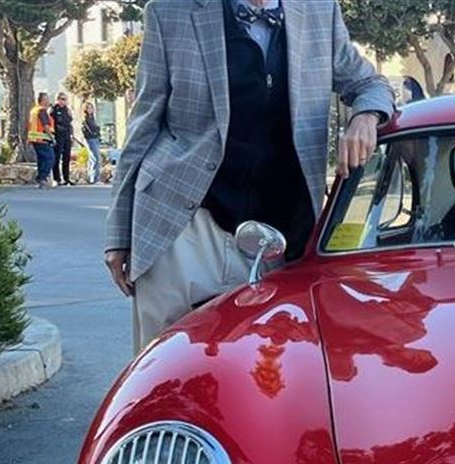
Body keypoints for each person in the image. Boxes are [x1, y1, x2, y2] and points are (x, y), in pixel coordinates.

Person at [104, 0, 394, 352]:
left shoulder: (318, 11)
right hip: (184, 226)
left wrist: (366, 116)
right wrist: (118, 233)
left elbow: (369, 83)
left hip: (282, 236)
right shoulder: (170, 11)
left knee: (270, 374)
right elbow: (145, 122)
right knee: (168, 372)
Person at [27, 93, 55, 189]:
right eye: (47, 99)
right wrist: (52, 138)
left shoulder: (34, 110)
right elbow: (46, 126)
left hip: (34, 139)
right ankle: (41, 178)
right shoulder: (42, 111)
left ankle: (40, 180)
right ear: (42, 101)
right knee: (50, 158)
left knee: (41, 160)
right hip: (42, 139)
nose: (48, 101)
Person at [50, 93, 74, 186]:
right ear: (57, 99)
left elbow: (70, 123)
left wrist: (71, 135)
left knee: (66, 158)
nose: (63, 101)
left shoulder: (67, 110)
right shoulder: (53, 110)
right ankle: (57, 178)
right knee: (56, 158)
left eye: (65, 99)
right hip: (58, 136)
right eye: (61, 99)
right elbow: (51, 123)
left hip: (66, 135)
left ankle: (66, 178)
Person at [82, 102, 102, 184]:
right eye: (88, 108)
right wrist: (95, 131)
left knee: (93, 158)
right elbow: (89, 129)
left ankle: (92, 177)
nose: (90, 109)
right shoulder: (85, 119)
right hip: (90, 139)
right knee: (95, 158)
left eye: (91, 108)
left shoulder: (92, 118)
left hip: (96, 138)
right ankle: (94, 178)